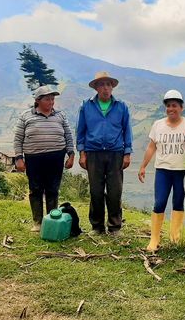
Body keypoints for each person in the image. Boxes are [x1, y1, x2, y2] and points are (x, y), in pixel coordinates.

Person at [138, 90, 185, 251]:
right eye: (168, 105)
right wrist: (143, 166)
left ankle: (174, 238)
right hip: (163, 170)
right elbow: (152, 147)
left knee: (178, 201)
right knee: (160, 202)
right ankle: (154, 239)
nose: (171, 109)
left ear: (181, 107)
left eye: (175, 105)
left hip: (182, 171)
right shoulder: (158, 125)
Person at [76, 71, 133, 237]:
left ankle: (115, 226)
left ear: (112, 87)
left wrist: (127, 153)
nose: (105, 88)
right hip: (93, 153)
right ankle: (97, 226)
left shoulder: (121, 107)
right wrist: (82, 153)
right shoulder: (86, 106)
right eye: (101, 85)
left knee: (115, 191)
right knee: (96, 191)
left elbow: (127, 131)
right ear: (96, 88)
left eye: (108, 84)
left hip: (116, 153)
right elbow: (81, 131)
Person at [13, 85, 75, 232]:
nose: (51, 102)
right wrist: (19, 158)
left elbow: (68, 136)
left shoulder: (60, 116)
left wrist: (71, 155)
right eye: (47, 99)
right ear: (38, 100)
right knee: (35, 189)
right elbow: (18, 138)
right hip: (34, 159)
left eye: (52, 99)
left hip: (56, 158)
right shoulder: (26, 116)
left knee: (53, 189)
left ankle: (51, 221)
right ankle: (38, 222)